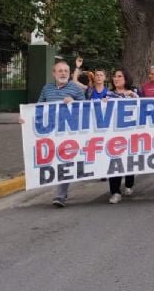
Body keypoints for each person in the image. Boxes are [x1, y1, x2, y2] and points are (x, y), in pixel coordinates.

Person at [37, 61, 86, 208]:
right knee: (54, 161)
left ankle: (60, 194)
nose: (63, 73)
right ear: (54, 73)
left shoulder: (76, 89)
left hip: (68, 133)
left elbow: (86, 109)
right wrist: (25, 118)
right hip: (50, 133)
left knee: (64, 161)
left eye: (66, 71)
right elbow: (38, 107)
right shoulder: (47, 88)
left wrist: (74, 102)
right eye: (60, 71)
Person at [105, 68, 139, 204]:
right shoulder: (109, 95)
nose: (116, 78)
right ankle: (115, 191)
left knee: (128, 160)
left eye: (119, 76)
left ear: (126, 79)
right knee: (114, 161)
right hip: (113, 135)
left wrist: (134, 97)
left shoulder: (133, 93)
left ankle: (129, 184)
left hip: (130, 134)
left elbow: (143, 106)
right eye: (114, 76)